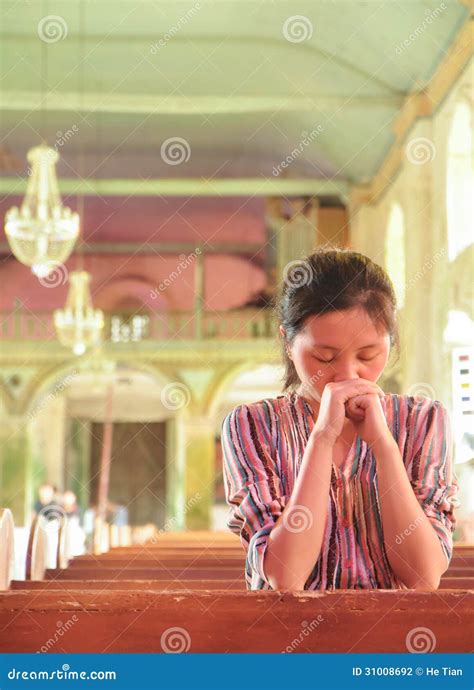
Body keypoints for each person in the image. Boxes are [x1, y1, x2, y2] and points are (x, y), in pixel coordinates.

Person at [221, 248, 459, 591]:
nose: (348, 374)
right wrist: (321, 439)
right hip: (286, 639)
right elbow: (285, 578)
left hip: (396, 638)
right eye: (325, 357)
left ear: (390, 342)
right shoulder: (251, 426)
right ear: (287, 342)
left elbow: (422, 575)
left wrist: (384, 448)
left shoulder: (424, 421)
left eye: (368, 354)